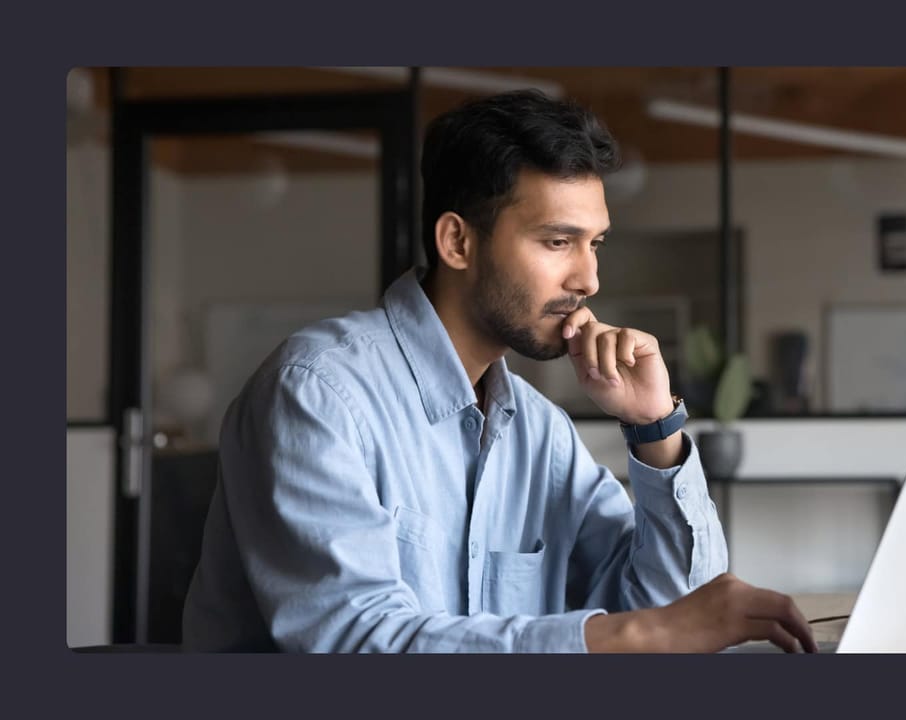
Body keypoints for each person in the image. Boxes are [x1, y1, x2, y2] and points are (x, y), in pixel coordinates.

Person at [182, 89, 816, 654]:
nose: (589, 279)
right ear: (458, 242)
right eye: (557, 242)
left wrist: (655, 429)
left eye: (594, 243)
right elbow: (354, 641)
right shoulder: (316, 391)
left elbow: (680, 614)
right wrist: (644, 633)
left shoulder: (542, 433)